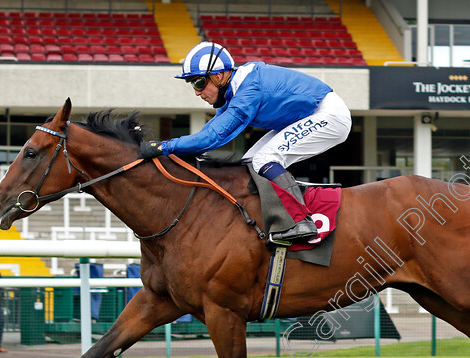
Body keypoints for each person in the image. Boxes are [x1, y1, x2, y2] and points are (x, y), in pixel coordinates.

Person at [139, 41, 352, 244]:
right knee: (249, 162)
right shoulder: (232, 91)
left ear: (219, 76)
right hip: (307, 116)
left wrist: (163, 147)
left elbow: (211, 139)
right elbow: (208, 134)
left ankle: (300, 221)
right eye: (192, 84)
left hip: (329, 115)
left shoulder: (248, 90)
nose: (197, 91)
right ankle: (266, 217)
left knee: (264, 159)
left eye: (199, 82)